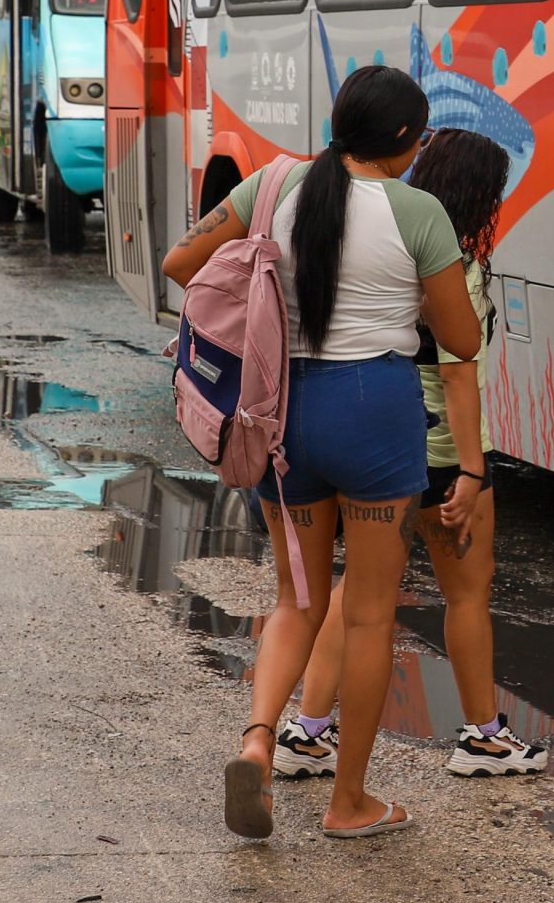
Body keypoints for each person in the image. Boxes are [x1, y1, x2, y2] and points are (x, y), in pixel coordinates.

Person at [160, 65, 483, 841]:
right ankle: (348, 805)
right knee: (368, 617)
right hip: (376, 413)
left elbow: (180, 264)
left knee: (296, 599)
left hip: (282, 415)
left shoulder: (272, 184)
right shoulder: (419, 212)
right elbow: (462, 340)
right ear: (406, 139)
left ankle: (258, 742)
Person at [274, 128, 548, 779]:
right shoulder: (453, 265)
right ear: (477, 197)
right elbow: (459, 373)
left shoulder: (385, 250)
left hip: (383, 445)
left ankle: (307, 729)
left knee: (358, 592)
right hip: (448, 458)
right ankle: (483, 736)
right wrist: (474, 469)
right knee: (466, 596)